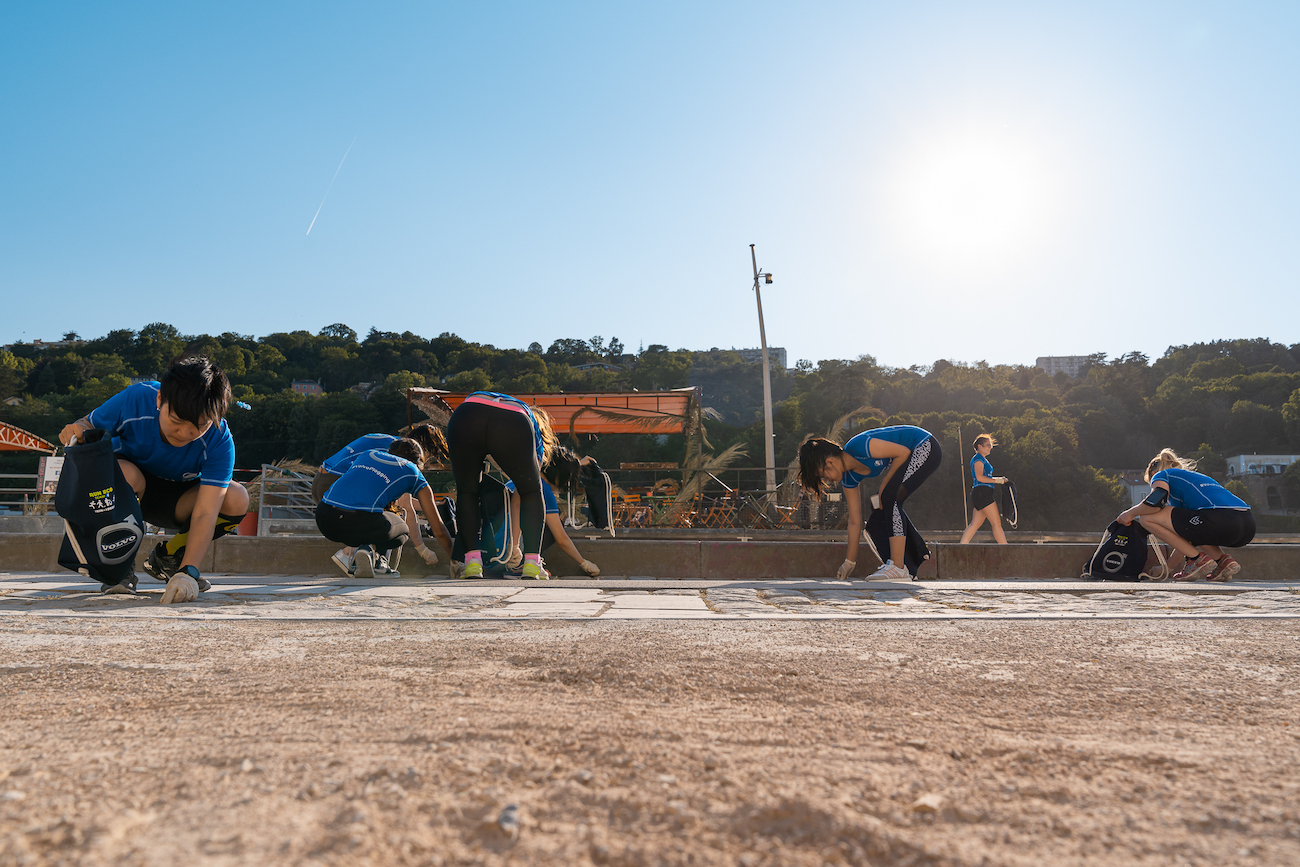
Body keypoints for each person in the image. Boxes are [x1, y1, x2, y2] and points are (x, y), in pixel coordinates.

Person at [58, 355, 247, 603]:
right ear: (160, 401)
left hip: (177, 501)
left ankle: (170, 559)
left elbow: (205, 513)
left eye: (199, 426)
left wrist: (189, 571)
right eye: (176, 421)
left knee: (236, 497)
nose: (185, 433)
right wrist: (76, 429)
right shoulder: (136, 399)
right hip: (127, 492)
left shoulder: (220, 439)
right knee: (128, 473)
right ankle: (118, 568)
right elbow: (85, 425)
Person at [445, 392, 577, 580]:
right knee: (532, 491)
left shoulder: (507, 404)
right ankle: (532, 564)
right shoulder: (533, 429)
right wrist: (515, 547)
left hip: (468, 412)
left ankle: (472, 563)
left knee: (467, 492)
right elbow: (526, 491)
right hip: (513, 419)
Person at [798, 424, 942, 580]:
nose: (826, 480)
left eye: (823, 475)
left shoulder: (860, 446)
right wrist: (849, 562)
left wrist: (884, 486)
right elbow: (854, 521)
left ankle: (898, 567)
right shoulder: (849, 479)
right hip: (913, 453)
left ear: (830, 462)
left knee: (889, 497)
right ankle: (908, 563)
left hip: (924, 445)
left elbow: (903, 452)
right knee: (879, 512)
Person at [313, 424, 448, 574]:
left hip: (322, 483)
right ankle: (362, 557)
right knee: (392, 516)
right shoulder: (402, 456)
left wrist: (432, 505)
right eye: (426, 458)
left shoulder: (396, 445)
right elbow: (406, 507)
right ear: (423, 448)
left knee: (376, 509)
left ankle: (364, 555)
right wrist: (423, 550)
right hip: (332, 479)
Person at [1117, 448, 1254, 581]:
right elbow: (1186, 537)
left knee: (1146, 518)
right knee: (1194, 527)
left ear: (1152, 473)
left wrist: (1129, 514)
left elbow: (1156, 501)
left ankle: (1197, 561)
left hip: (1218, 518)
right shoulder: (1193, 479)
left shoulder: (1162, 474)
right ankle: (1223, 563)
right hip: (1247, 525)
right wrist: (1166, 568)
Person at [503, 455, 601, 579]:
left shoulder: (522, 479)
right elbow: (561, 539)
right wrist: (584, 563)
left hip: (501, 549)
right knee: (551, 525)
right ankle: (522, 566)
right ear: (559, 476)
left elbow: (554, 461)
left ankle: (523, 561)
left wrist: (577, 464)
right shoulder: (542, 490)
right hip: (511, 557)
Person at [959, 434, 1010, 544]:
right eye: (987, 445)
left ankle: (961, 546)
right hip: (982, 493)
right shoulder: (978, 459)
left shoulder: (981, 459)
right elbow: (980, 477)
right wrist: (998, 480)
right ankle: (1006, 549)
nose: (990, 447)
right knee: (996, 523)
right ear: (979, 446)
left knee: (975, 524)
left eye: (990, 445)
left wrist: (999, 480)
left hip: (980, 493)